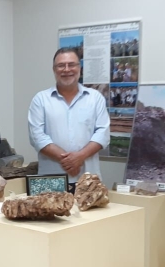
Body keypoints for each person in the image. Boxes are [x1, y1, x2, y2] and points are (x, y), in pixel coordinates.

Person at [28, 48, 110, 192]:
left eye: (72, 64)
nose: (67, 70)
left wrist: (79, 157)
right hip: (50, 181)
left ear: (80, 68)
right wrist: (69, 161)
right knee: (47, 214)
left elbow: (102, 134)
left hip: (89, 180)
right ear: (54, 69)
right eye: (61, 65)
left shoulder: (95, 98)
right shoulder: (40, 99)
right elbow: (37, 137)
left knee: (92, 215)